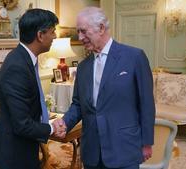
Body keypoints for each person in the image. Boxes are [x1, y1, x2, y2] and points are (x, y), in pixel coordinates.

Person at [53, 7, 155, 169]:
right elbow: (78, 104)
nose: (80, 37)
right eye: (78, 32)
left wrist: (147, 142)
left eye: (83, 31)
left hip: (123, 148)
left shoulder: (134, 57)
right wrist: (64, 123)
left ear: (101, 28)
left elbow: (147, 104)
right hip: (92, 150)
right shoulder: (83, 67)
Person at [0, 8, 58, 169]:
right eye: (52, 32)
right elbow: (22, 125)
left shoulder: (23, 58)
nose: (55, 36)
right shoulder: (17, 67)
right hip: (14, 154)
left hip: (22, 147)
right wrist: (51, 128)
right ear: (40, 35)